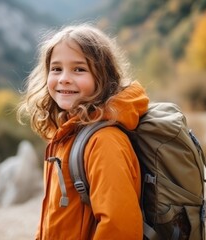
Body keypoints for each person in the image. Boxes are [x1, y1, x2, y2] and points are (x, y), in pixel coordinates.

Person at [17, 23, 149, 240]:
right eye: (56, 69)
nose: (64, 78)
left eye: (79, 69)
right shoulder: (64, 135)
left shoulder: (104, 141)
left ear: (103, 77)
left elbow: (119, 228)